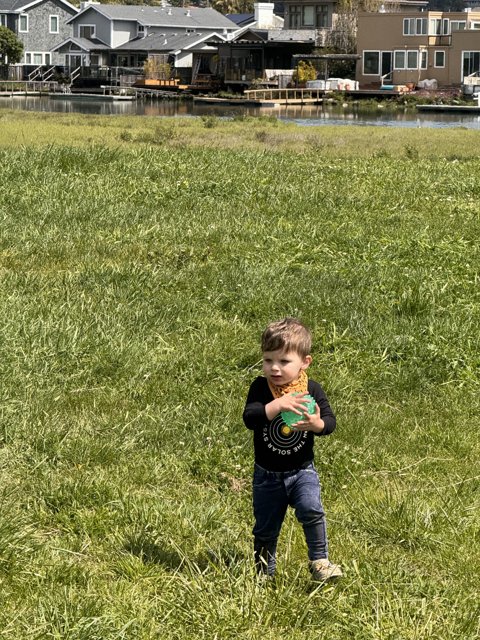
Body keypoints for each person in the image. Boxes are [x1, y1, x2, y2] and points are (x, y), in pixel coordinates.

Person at [243, 317, 342, 582]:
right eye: (267, 360)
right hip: (267, 476)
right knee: (265, 528)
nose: (274, 368)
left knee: (312, 509)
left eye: (284, 361)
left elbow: (330, 423)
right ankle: (264, 573)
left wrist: (316, 424)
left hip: (301, 470)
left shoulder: (311, 389)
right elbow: (250, 418)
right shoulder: (261, 388)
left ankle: (320, 561)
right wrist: (278, 405)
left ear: (304, 362)